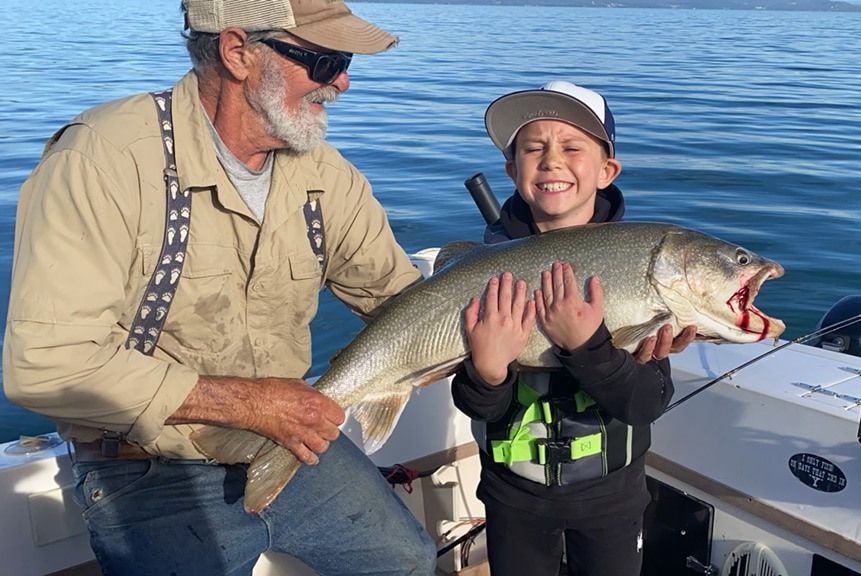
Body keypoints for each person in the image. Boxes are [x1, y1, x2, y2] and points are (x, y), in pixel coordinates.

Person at [2, 1, 437, 574]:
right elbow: (44, 365)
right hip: (149, 465)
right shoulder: (103, 159)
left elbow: (401, 303)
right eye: (326, 61)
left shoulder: (326, 176)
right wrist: (252, 403)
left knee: (407, 559)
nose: (344, 82)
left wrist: (502, 329)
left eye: (345, 61)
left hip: (292, 443)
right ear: (238, 53)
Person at [450, 80, 698, 576]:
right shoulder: (486, 275)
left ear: (607, 170)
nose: (550, 160)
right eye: (532, 148)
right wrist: (489, 369)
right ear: (511, 168)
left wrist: (589, 347)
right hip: (511, 497)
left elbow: (644, 402)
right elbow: (477, 404)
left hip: (611, 499)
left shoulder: (637, 272)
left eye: (571, 146)